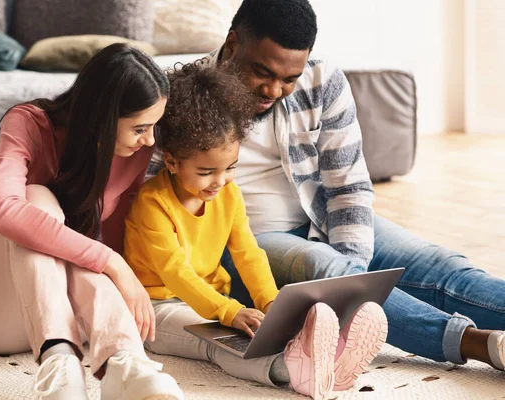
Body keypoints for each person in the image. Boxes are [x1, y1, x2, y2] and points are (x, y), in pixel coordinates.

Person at [148, 0, 505, 371]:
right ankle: (479, 345)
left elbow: (347, 186)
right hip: (245, 243)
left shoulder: (322, 80)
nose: (274, 90)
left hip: (320, 217)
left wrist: (355, 274)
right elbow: (156, 196)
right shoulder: (185, 94)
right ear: (234, 44)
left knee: (437, 266)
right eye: (263, 73)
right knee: (327, 267)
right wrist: (347, 280)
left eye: (289, 79)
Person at [125, 62, 388, 400]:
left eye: (230, 168)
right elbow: (176, 274)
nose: (219, 182)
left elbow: (248, 252)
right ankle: (293, 372)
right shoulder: (152, 204)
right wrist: (229, 311)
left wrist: (272, 303)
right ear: (173, 162)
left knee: (261, 327)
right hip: (156, 308)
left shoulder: (228, 194)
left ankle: (330, 362)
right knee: (222, 343)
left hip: (211, 296)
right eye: (206, 172)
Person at [0, 43, 184, 400]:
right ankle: (60, 366)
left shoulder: (135, 151)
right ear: (103, 117)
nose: (150, 139)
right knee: (36, 199)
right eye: (140, 128)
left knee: (80, 244)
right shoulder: (27, 123)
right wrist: (111, 263)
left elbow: (121, 230)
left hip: (70, 311)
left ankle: (123, 365)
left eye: (153, 126)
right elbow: (4, 211)